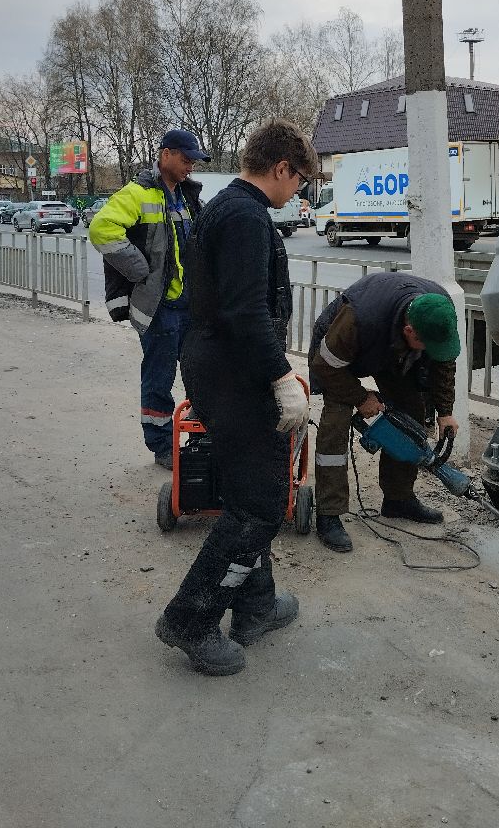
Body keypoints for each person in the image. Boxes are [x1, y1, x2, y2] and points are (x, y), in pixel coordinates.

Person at [155, 119, 317, 677]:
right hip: (235, 375)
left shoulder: (226, 207)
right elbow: (246, 312)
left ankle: (256, 607)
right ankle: (191, 621)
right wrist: (280, 377)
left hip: (214, 367)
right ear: (281, 169)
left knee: (253, 489)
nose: (299, 192)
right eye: (299, 180)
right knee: (260, 506)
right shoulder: (247, 217)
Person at [308, 272, 461, 553]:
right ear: (410, 330)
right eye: (426, 344)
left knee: (411, 413)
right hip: (336, 357)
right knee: (335, 423)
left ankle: (398, 499)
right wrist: (359, 397)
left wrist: (445, 411)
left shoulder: (439, 311)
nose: (431, 350)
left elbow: (443, 363)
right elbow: (325, 366)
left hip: (390, 349)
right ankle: (329, 514)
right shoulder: (358, 320)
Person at [89, 129, 209, 469]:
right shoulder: (137, 193)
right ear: (165, 155)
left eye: (194, 161)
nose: (190, 167)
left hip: (189, 306)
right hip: (159, 309)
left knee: (199, 373)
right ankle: (161, 446)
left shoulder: (187, 195)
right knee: (159, 380)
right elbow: (101, 229)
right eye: (186, 160)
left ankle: (199, 438)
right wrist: (140, 269)